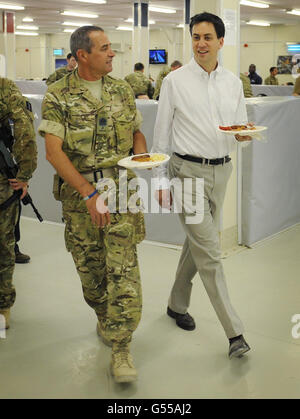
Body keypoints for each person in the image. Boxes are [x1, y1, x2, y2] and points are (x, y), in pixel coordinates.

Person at [38, 25, 147, 384]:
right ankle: (104, 314)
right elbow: (53, 152)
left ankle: (121, 346)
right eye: (104, 48)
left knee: (123, 271)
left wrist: (142, 155)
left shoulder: (123, 89)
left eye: (111, 47)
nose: (112, 53)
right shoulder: (57, 95)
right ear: (82, 55)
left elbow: (135, 131)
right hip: (80, 196)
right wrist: (88, 194)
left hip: (121, 190)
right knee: (91, 271)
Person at [151, 12, 251, 359]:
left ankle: (176, 304)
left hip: (222, 171)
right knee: (210, 251)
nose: (200, 43)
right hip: (187, 174)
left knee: (195, 242)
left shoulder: (233, 83)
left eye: (207, 37)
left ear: (221, 42)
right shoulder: (174, 81)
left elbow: (238, 128)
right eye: (195, 37)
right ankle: (234, 332)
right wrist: (161, 181)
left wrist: (244, 135)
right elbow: (161, 136)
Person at [0, 77, 37, 329]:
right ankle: (2, 307)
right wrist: (24, 174)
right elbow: (24, 130)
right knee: (3, 246)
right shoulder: (4, 88)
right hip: (3, 186)